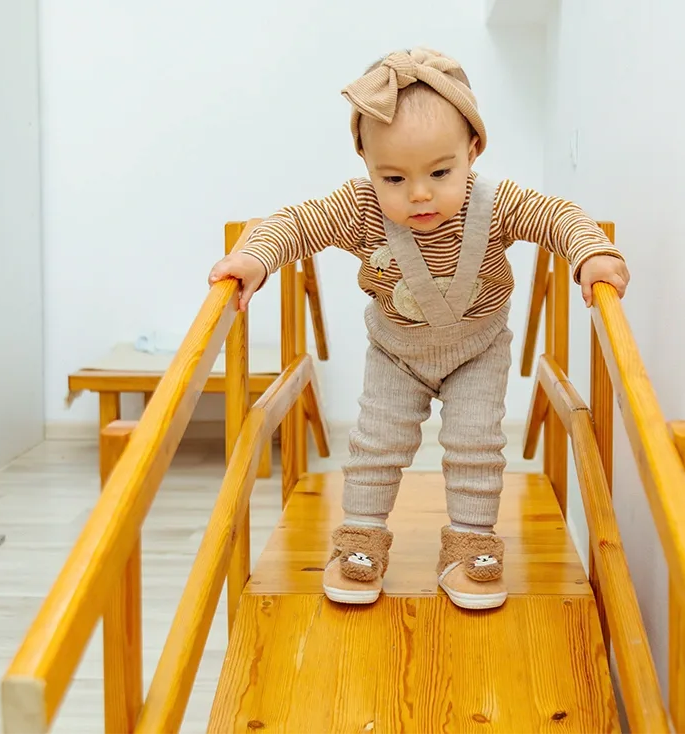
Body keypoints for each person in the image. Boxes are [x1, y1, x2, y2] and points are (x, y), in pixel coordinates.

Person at [207, 47, 629, 610]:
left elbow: (558, 216)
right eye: (394, 177)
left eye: (439, 172)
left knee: (477, 443)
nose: (420, 193)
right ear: (366, 166)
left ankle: (472, 547)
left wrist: (591, 257)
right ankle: (359, 542)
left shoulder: (498, 204)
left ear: (473, 151)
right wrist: (254, 260)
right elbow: (295, 223)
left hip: (477, 351)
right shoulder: (361, 208)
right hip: (396, 354)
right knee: (376, 445)